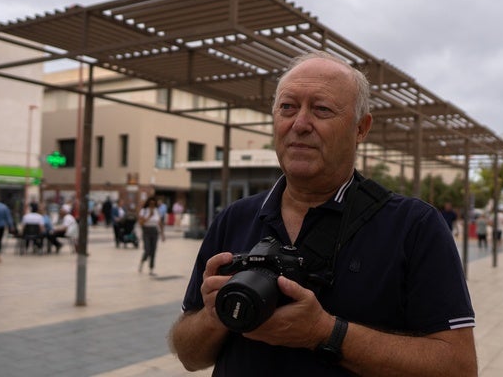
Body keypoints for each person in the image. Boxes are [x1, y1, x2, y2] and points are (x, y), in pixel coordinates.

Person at [168, 51, 477, 376]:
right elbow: (189, 356)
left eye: (322, 109)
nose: (299, 124)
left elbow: (458, 367)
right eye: (287, 107)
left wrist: (325, 333)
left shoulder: (413, 226)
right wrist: (215, 315)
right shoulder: (235, 218)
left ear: (361, 128)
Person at [138, 196, 164, 275]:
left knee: (153, 250)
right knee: (147, 249)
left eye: (153, 203)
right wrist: (149, 215)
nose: (152, 205)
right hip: (146, 230)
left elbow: (159, 222)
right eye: (151, 203)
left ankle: (151, 268)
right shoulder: (144, 211)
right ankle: (142, 261)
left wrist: (162, 233)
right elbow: (141, 222)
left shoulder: (156, 211)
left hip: (154, 231)